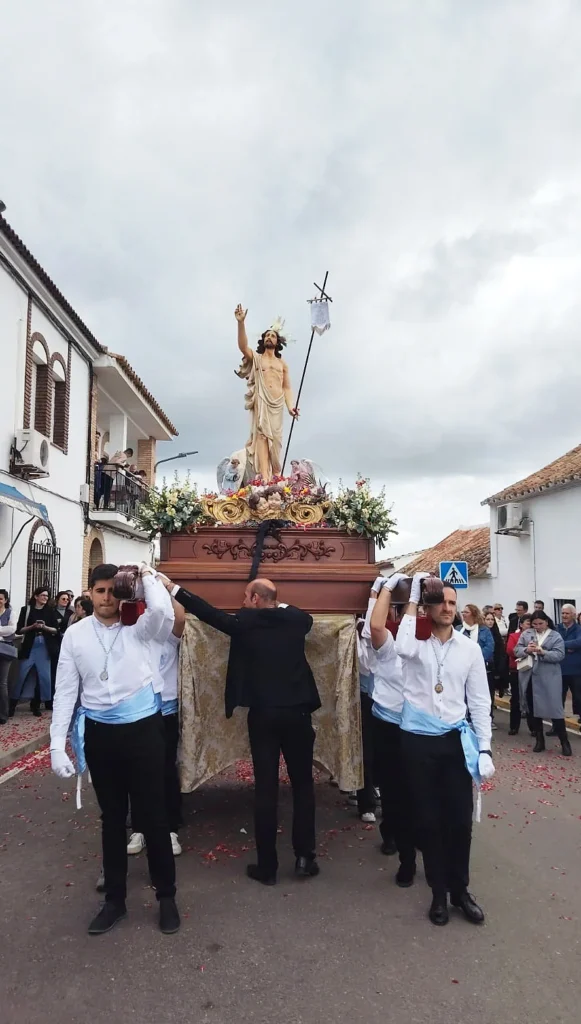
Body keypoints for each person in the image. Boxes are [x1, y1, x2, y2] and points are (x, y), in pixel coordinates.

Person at [161, 574, 321, 885]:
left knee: (266, 789)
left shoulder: (245, 623)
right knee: (303, 786)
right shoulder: (296, 621)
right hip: (298, 713)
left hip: (263, 715)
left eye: (247, 597)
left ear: (257, 600)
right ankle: (305, 857)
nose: (242, 602)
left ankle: (268, 866)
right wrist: (278, 603)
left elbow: (207, 612)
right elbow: (304, 615)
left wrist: (172, 588)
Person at [49, 562, 180, 936]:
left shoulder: (141, 630)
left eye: (113, 591)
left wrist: (147, 580)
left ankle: (166, 897)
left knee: (154, 816)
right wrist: (58, 745)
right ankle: (115, 901)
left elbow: (162, 612)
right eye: (101, 591)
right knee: (111, 819)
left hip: (144, 732)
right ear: (89, 593)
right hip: (101, 734)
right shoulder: (75, 636)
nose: (107, 598)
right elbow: (66, 692)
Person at [395, 574, 494, 927]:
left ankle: (460, 890)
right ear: (428, 607)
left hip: (454, 742)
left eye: (453, 603)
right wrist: (414, 599)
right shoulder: (415, 642)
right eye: (441, 603)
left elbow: (480, 702)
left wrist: (485, 748)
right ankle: (437, 893)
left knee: (459, 821)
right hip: (417, 741)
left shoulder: (469, 649)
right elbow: (400, 645)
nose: (449, 609)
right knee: (429, 820)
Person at [127, 596, 186, 858]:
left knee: (165, 770)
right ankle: (139, 828)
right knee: (136, 772)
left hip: (165, 711)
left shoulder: (167, 636)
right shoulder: (130, 634)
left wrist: (163, 588)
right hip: (136, 711)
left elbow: (180, 617)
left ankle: (169, 829)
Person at [369, 574, 417, 886]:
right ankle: (395, 839)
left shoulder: (421, 648)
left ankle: (412, 841)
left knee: (417, 792)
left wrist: (415, 597)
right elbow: (374, 624)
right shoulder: (386, 646)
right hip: (387, 724)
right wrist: (383, 589)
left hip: (417, 728)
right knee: (393, 791)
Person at [234, 305, 299, 482]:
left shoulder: (282, 364)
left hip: (277, 404)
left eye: (273, 335)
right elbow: (242, 346)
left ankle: (276, 474)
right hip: (262, 400)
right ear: (263, 340)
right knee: (262, 436)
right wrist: (241, 323)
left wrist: (290, 407)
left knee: (276, 443)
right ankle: (264, 478)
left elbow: (287, 387)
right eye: (267, 335)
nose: (270, 337)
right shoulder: (257, 358)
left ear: (278, 342)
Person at [515, 611, 570, 756]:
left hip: (550, 677)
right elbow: (517, 650)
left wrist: (542, 652)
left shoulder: (555, 636)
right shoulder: (527, 634)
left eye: (541, 624)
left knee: (555, 709)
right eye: (535, 624)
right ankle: (539, 740)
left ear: (546, 622)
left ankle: (564, 741)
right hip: (530, 676)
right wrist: (527, 649)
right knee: (533, 710)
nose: (538, 627)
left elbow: (560, 654)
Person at [12, 587, 59, 717]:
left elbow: (56, 630)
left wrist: (44, 627)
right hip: (29, 645)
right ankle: (12, 704)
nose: (45, 597)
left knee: (43, 677)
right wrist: (32, 627)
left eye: (47, 596)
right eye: (43, 595)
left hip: (44, 645)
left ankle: (36, 704)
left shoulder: (50, 611)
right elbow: (19, 630)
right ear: (36, 596)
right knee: (21, 675)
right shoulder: (26, 610)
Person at [355, 607, 378, 824]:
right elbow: (364, 666)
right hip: (366, 698)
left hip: (387, 701)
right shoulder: (357, 634)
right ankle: (366, 802)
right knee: (367, 753)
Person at [505, 614, 532, 735]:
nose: (530, 626)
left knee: (531, 699)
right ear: (521, 625)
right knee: (516, 699)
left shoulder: (535, 636)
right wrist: (527, 651)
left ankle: (534, 728)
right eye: (527, 623)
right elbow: (511, 650)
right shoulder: (514, 636)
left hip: (531, 671)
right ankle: (514, 726)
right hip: (516, 671)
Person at [556, 605, 581, 722]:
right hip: (559, 669)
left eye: (567, 613)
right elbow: (552, 642)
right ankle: (557, 726)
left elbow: (578, 642)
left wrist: (561, 645)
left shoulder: (578, 629)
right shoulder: (557, 628)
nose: (564, 616)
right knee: (558, 699)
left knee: (579, 698)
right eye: (563, 613)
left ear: (573, 615)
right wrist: (568, 647)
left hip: (576, 670)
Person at [0, 588, 17, 724]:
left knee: (2, 683)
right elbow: (6, 630)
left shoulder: (11, 613)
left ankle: (3, 714)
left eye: (1, 598)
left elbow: (11, 629)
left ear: (5, 600)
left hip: (5, 650)